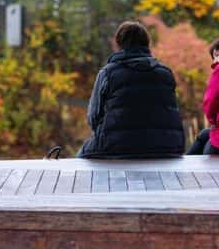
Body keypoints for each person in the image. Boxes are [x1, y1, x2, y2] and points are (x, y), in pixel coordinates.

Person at [77, 21, 185, 159]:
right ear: (147, 43)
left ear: (119, 44)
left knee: (81, 158)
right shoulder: (166, 73)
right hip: (169, 145)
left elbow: (93, 116)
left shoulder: (108, 73)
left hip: (117, 145)